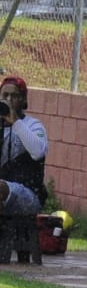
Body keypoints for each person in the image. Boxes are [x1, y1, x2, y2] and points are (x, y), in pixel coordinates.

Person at [0, 73, 48, 220]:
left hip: (28, 194)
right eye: (5, 95)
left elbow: (38, 152)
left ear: (23, 100)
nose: (8, 100)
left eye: (14, 96)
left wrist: (15, 121)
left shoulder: (33, 125)